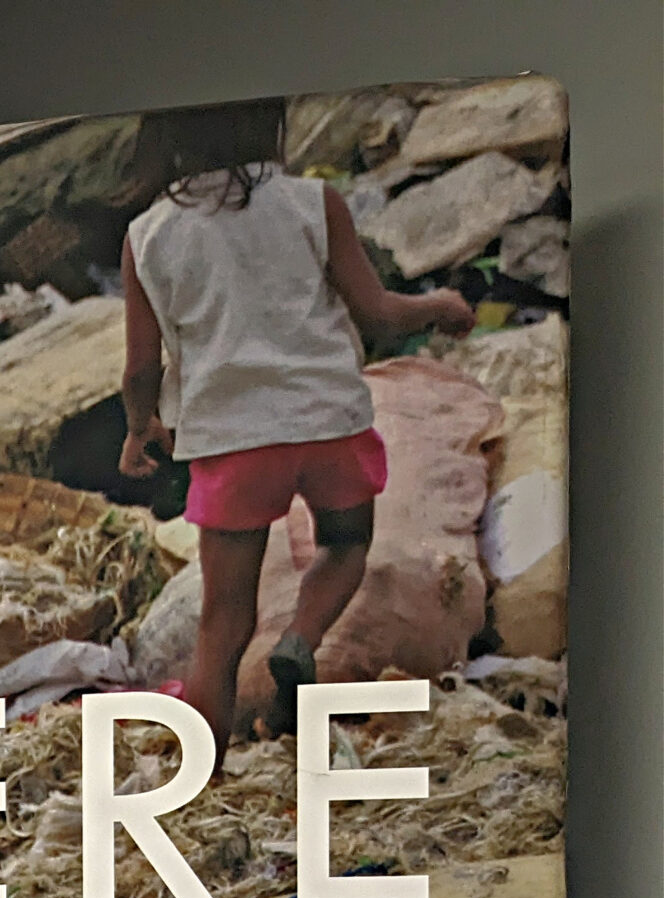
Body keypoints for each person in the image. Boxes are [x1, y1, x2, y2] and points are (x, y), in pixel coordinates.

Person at [117, 98, 474, 754]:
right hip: (326, 423)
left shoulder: (147, 235)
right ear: (267, 122)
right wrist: (440, 308)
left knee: (221, 625)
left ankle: (204, 778)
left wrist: (141, 427)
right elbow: (378, 309)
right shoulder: (314, 202)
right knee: (344, 544)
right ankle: (301, 639)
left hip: (231, 444)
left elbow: (141, 366)